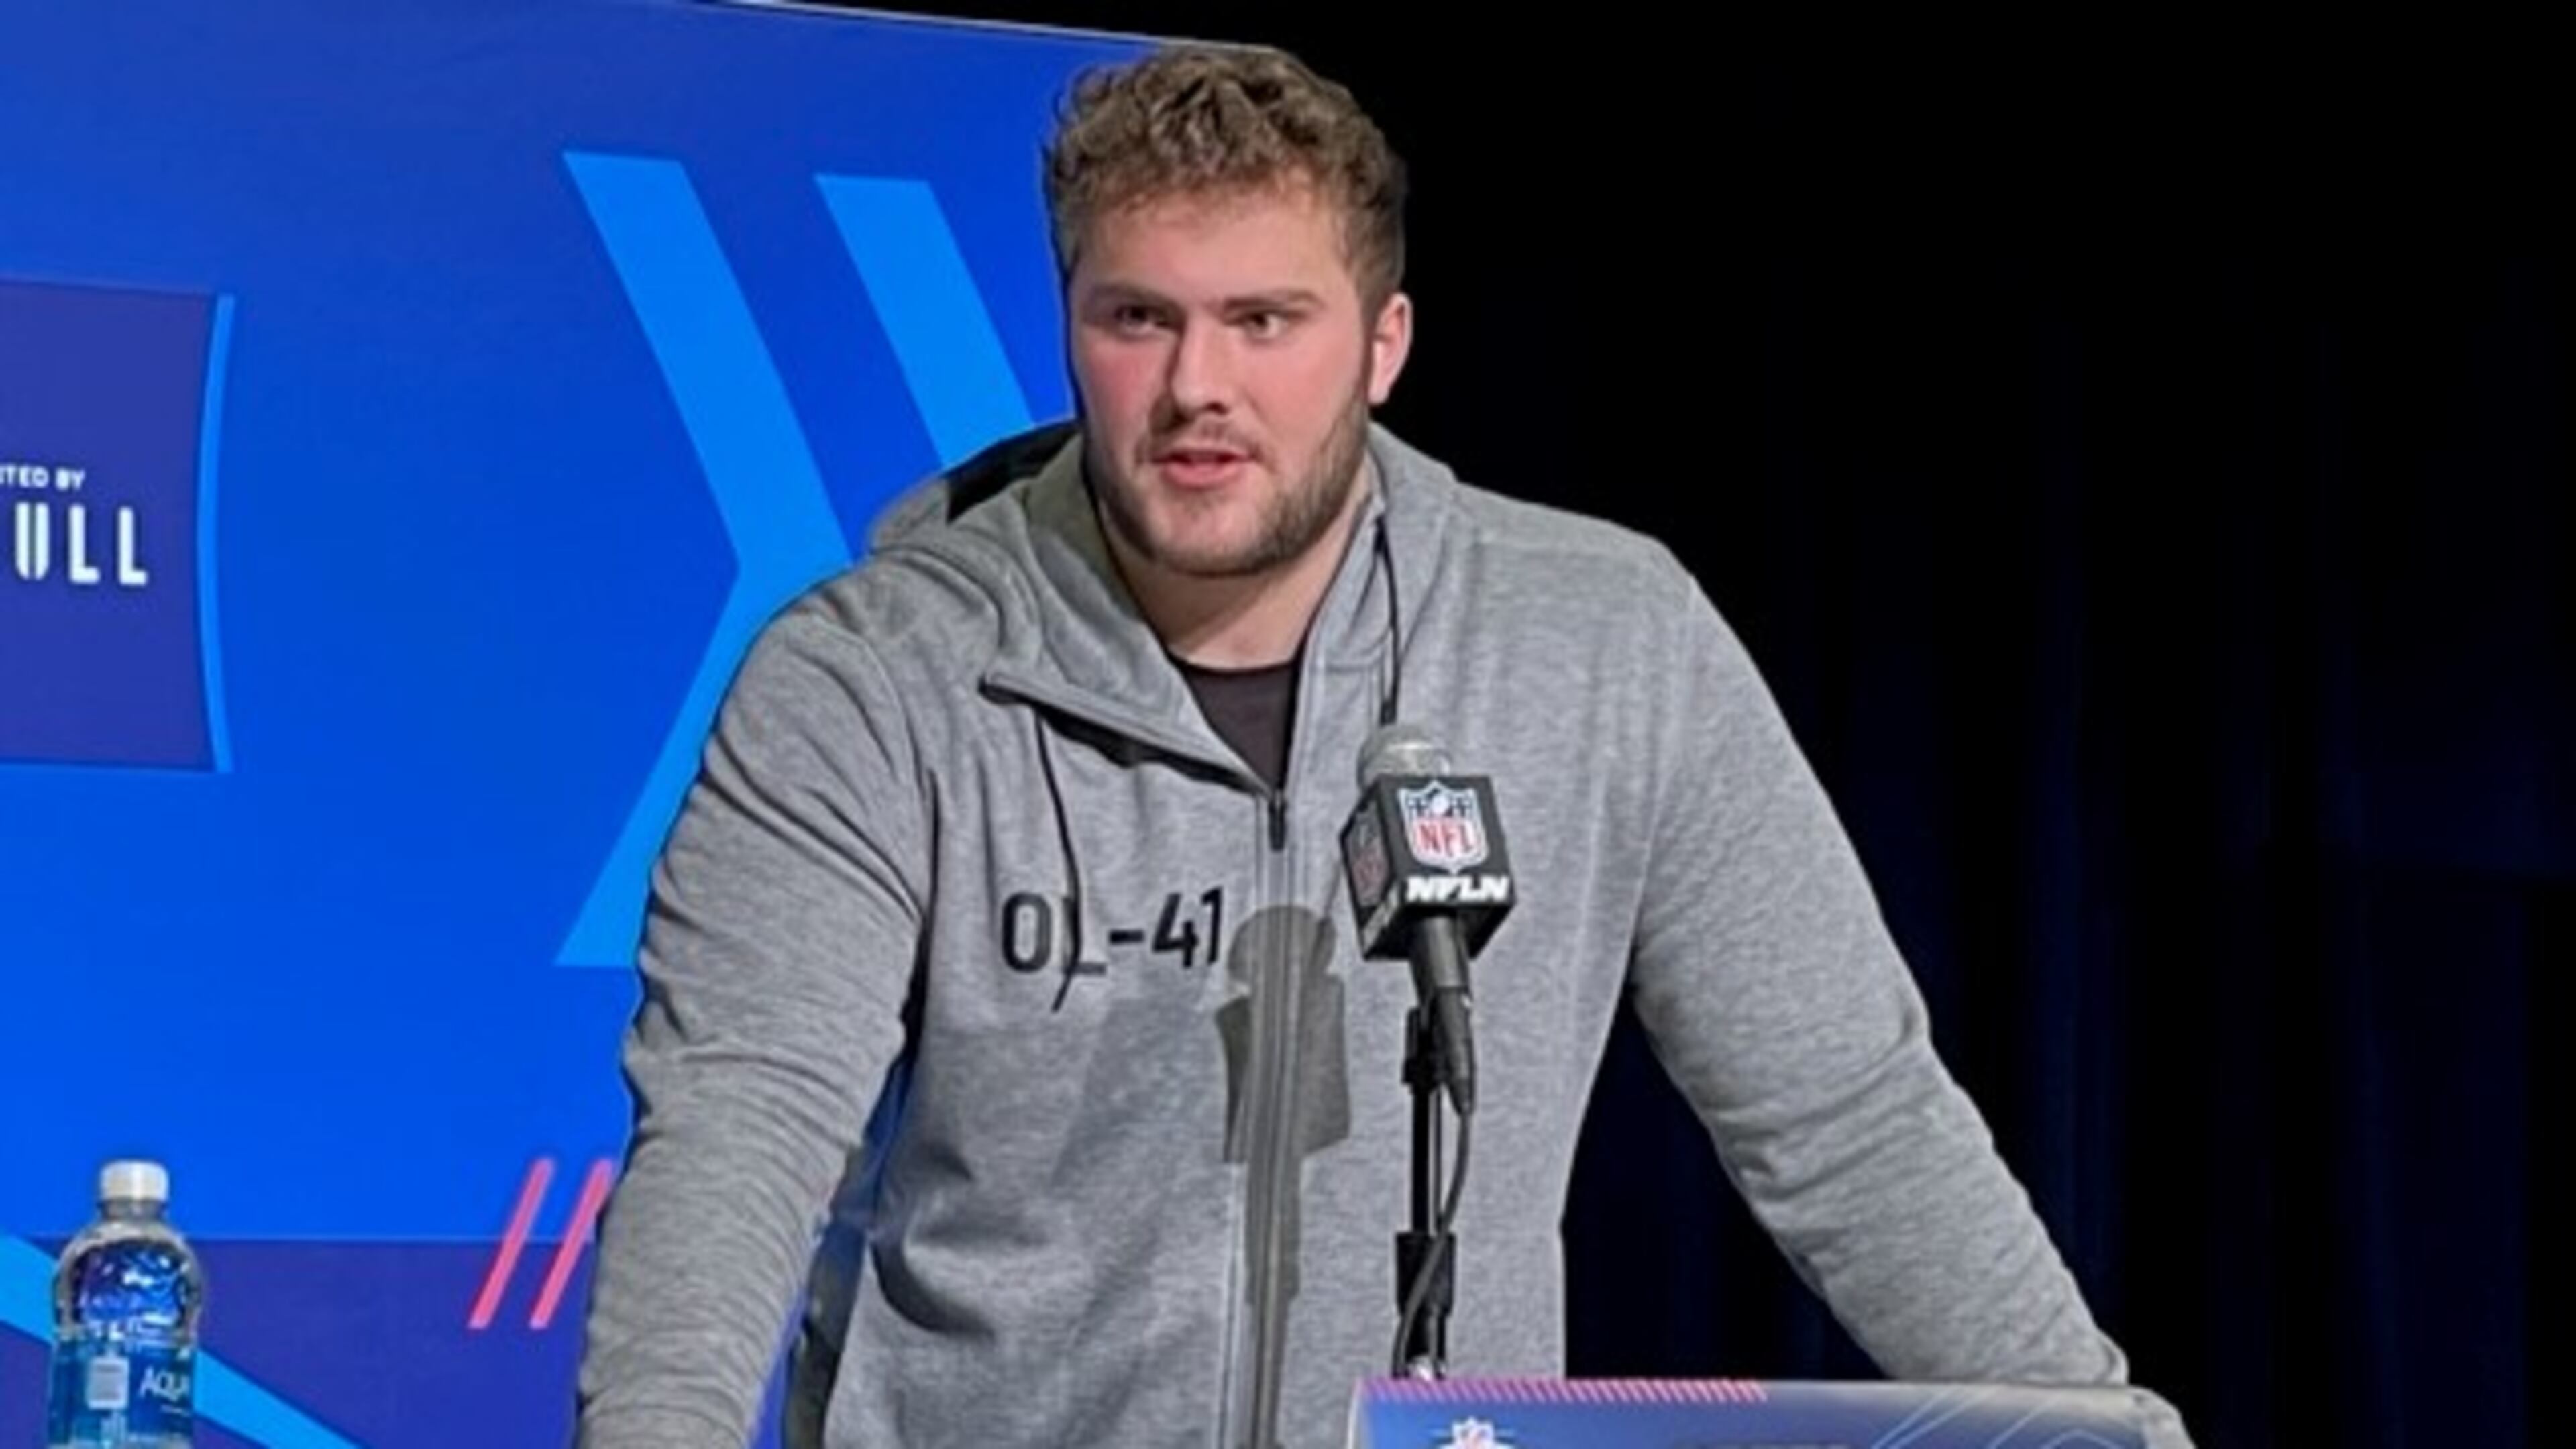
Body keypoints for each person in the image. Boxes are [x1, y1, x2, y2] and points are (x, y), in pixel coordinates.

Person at [571, 41, 2194, 1449]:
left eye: (1265, 320)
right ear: (1070, 327)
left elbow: (1846, 1115)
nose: (1197, 387)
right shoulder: (874, 678)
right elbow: (739, 1133)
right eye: (1140, 318)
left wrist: (2100, 1426)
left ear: (1385, 342)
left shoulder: (1603, 643)